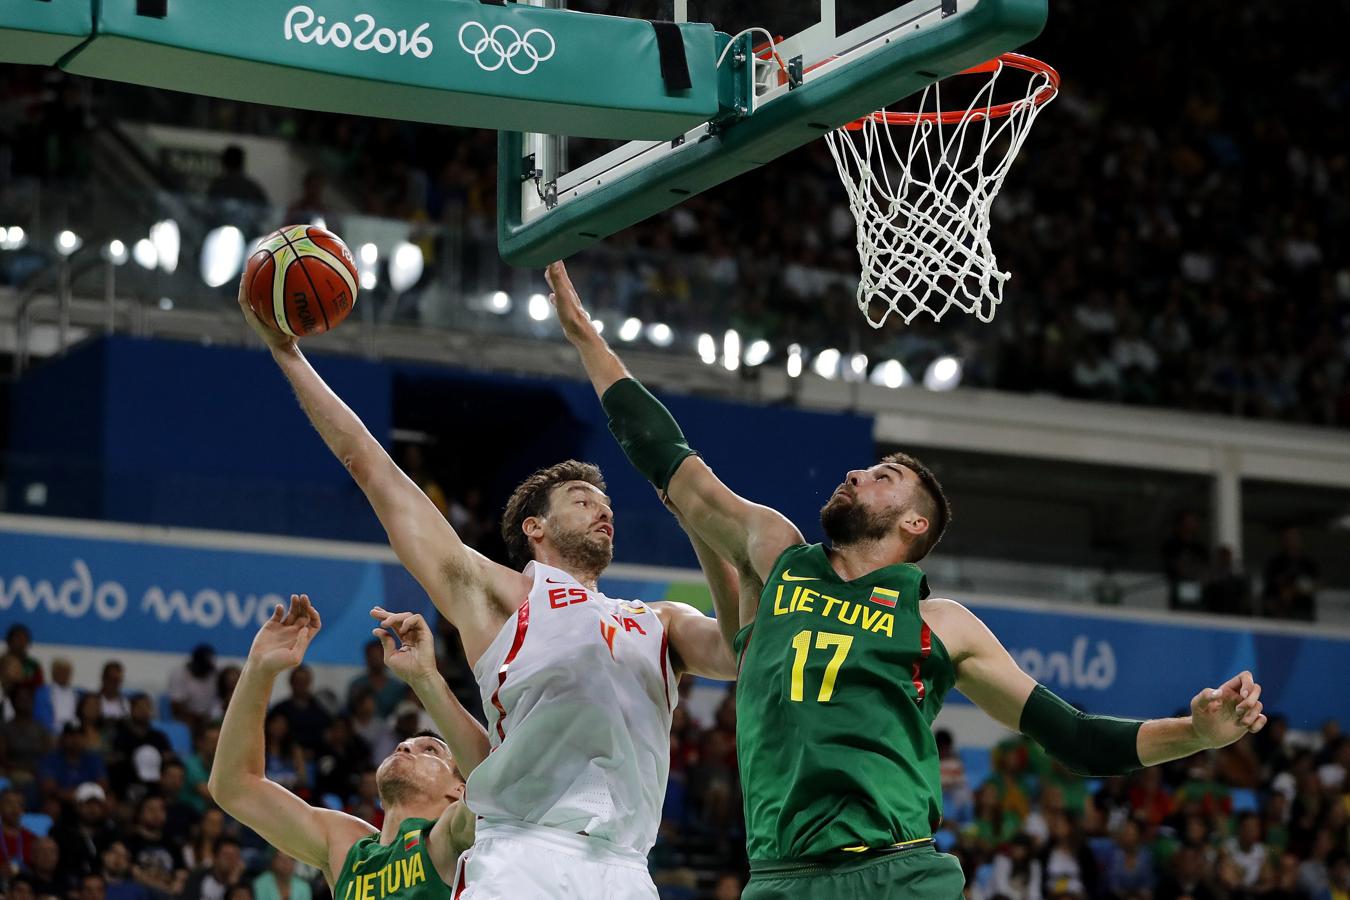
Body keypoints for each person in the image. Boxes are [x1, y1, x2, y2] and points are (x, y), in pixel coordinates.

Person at [546, 258, 1271, 899]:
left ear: (914, 526)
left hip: (899, 874)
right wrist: (588, 341)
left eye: (884, 477)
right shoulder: (778, 552)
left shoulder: (943, 623)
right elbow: (668, 455)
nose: (857, 471)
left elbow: (1074, 737)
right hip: (781, 878)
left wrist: (1197, 733)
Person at [236, 275, 740, 899]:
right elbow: (375, 473)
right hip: (522, 851)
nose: (602, 510)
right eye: (582, 500)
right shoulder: (501, 597)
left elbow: (742, 649)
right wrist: (289, 355)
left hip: (625, 868)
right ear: (536, 527)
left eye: (607, 502)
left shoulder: (658, 619)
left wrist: (701, 523)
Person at [208, 594, 474, 896]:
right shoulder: (347, 845)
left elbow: (494, 787)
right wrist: (258, 670)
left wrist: (426, 678)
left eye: (430, 750)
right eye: (404, 744)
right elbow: (234, 786)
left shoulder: (452, 837)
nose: (405, 748)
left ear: (460, 789)